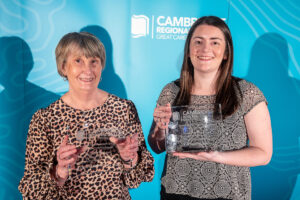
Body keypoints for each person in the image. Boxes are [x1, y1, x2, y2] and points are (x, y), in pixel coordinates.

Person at [148, 16, 272, 200]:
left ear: (226, 53)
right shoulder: (171, 91)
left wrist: (216, 156)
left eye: (215, 42)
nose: (205, 49)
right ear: (189, 50)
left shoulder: (246, 93)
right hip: (176, 192)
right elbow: (157, 147)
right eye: (198, 42)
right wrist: (159, 129)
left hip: (228, 194)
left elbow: (263, 153)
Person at [19, 32, 154, 199]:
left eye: (93, 61)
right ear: (63, 67)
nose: (87, 70)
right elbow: (32, 189)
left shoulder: (124, 109)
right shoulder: (45, 119)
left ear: (101, 66)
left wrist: (129, 159)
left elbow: (140, 175)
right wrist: (60, 172)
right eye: (78, 61)